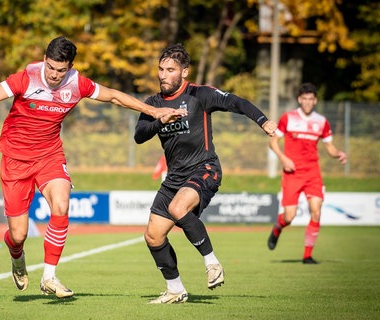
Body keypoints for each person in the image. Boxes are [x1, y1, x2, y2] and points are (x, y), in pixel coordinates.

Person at [0, 36, 185, 299]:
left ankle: (49, 277)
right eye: (50, 67)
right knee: (18, 235)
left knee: (62, 206)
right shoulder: (26, 78)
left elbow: (113, 97)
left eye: (61, 70)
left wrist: (153, 111)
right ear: (44, 60)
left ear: (70, 67)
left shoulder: (77, 83)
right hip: (15, 159)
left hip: (49, 155)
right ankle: (17, 257)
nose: (54, 75)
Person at [134, 43, 277, 304]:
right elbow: (139, 136)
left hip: (204, 168)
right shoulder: (153, 103)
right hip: (174, 178)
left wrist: (263, 121)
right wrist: (159, 120)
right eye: (160, 69)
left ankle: (212, 263)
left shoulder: (199, 95)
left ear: (184, 73)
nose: (163, 75)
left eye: (170, 70)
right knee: (153, 236)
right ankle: (175, 289)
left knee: (179, 208)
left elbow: (237, 101)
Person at [267, 82, 347, 264]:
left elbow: (330, 147)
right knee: (289, 216)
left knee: (316, 212)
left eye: (311, 99)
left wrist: (339, 154)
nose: (308, 102)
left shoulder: (322, 122)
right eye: (305, 99)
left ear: (315, 100)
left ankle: (307, 256)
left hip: (313, 173)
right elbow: (273, 142)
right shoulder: (288, 118)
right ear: (299, 99)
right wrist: (283, 158)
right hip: (292, 173)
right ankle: (278, 227)